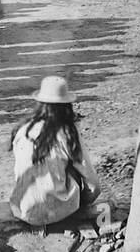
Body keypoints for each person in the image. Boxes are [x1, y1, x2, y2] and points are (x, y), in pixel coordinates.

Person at [9, 76, 103, 227]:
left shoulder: (22, 130)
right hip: (59, 212)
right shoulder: (67, 133)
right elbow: (94, 185)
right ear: (67, 106)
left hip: (22, 209)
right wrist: (84, 201)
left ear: (40, 103)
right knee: (72, 166)